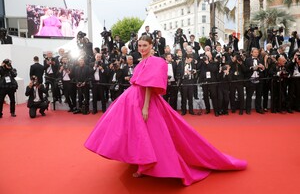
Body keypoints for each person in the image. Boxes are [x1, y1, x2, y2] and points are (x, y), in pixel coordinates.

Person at [85, 35, 247, 186]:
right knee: (135, 131)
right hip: (131, 99)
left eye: (145, 45)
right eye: (140, 45)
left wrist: (146, 107)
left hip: (143, 100)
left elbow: (149, 85)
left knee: (149, 133)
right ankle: (138, 160)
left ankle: (145, 165)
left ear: (151, 45)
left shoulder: (156, 61)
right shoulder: (141, 62)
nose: (142, 48)